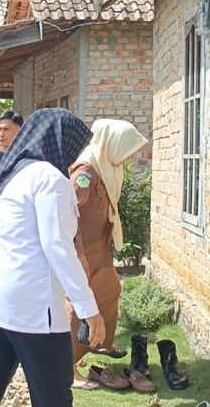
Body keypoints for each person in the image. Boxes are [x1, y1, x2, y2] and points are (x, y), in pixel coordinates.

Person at [0, 108, 106, 407]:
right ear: (61, 142)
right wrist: (89, 309)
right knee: (54, 396)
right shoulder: (51, 179)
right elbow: (58, 246)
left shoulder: (15, 171)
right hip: (33, 309)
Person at [66, 118, 147, 389]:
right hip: (82, 249)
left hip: (98, 246)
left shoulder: (106, 167)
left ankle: (100, 342)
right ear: (112, 144)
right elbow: (70, 214)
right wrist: (76, 256)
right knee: (76, 303)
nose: (129, 157)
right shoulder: (86, 171)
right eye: (127, 150)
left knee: (110, 289)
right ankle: (67, 367)